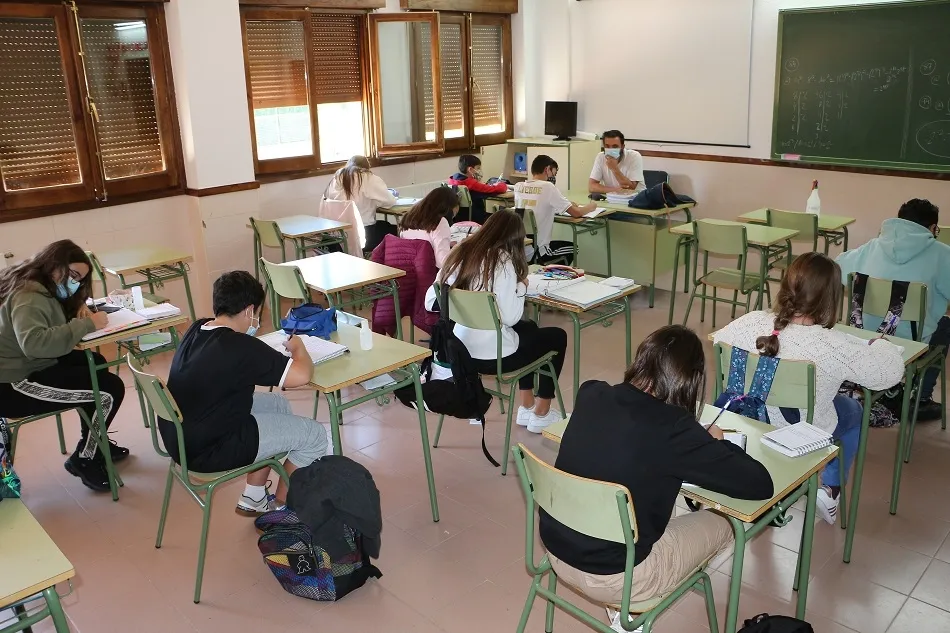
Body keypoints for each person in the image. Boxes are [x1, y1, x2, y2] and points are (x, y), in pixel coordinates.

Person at [540, 325, 773, 632]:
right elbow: (760, 484)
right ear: (691, 380)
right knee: (732, 520)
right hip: (619, 579)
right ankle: (631, 617)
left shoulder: (591, 393)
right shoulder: (675, 429)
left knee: (648, 489)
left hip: (556, 552)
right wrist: (716, 443)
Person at [714, 252, 905, 524]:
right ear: (830, 298)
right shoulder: (832, 345)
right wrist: (882, 344)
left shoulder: (749, 321)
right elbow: (889, 373)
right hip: (798, 430)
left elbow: (718, 343)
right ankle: (831, 489)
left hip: (746, 421)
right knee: (853, 410)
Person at [160, 271, 328, 514]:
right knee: (314, 436)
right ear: (250, 311)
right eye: (258, 313)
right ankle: (282, 513)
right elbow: (302, 375)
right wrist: (299, 347)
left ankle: (254, 498)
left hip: (183, 435)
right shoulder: (240, 347)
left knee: (277, 405)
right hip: (208, 450)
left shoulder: (197, 329)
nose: (258, 320)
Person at [0, 240, 127, 492]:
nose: (75, 283)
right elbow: (34, 343)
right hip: (13, 385)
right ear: (54, 265)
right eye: (73, 275)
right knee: (108, 392)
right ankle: (85, 459)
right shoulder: (29, 297)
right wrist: (87, 325)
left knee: (97, 365)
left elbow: (45, 323)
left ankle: (95, 441)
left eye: (80, 279)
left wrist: (76, 305)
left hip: (27, 367)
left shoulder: (35, 283)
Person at [425, 210, 568, 433]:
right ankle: (542, 412)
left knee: (529, 328)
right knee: (558, 337)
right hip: (494, 357)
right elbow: (510, 317)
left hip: (461, 352)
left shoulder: (459, 252)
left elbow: (430, 301)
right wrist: (521, 286)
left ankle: (527, 405)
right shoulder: (502, 261)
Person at [836, 198, 950, 421]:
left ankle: (892, 386)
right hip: (911, 343)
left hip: (865, 335)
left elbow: (837, 267)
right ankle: (920, 398)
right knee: (946, 325)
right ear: (932, 228)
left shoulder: (872, 246)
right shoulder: (942, 254)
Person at [515, 155, 596, 265]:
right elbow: (576, 213)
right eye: (554, 173)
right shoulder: (548, 187)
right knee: (573, 248)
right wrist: (591, 206)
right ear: (547, 169)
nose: (554, 177)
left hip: (520, 250)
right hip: (539, 251)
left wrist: (567, 203)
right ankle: (555, 276)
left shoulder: (518, 186)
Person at [324, 155, 397, 252]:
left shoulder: (336, 179)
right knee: (395, 230)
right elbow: (390, 202)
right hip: (364, 235)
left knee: (384, 225)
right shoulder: (367, 178)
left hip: (337, 236)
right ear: (367, 167)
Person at [398, 187, 457, 267]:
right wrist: (458, 250)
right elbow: (442, 263)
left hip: (406, 268)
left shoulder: (409, 216)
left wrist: (445, 244)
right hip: (427, 272)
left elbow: (420, 242)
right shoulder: (440, 222)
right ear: (449, 207)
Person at [448, 154, 508, 224]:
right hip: (477, 218)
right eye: (478, 168)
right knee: (504, 217)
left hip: (459, 218)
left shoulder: (452, 181)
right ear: (470, 169)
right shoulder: (472, 183)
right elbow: (496, 189)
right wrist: (503, 184)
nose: (479, 170)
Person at [588, 129, 645, 194]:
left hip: (637, 198)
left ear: (622, 147)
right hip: (613, 198)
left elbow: (631, 188)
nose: (611, 150)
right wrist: (615, 190)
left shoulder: (634, 156)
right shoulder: (600, 157)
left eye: (615, 146)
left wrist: (614, 168)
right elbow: (592, 186)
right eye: (607, 146)